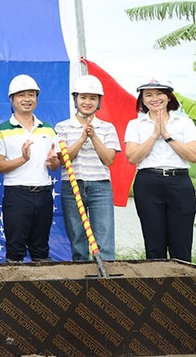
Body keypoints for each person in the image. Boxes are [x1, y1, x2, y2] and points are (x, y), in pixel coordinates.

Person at [125, 74, 196, 262]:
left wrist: (167, 136)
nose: (154, 99)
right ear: (142, 99)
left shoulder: (184, 123)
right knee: (154, 242)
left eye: (159, 93)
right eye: (148, 95)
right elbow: (132, 157)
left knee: (181, 242)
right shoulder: (135, 124)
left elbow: (194, 155)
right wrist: (154, 135)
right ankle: (156, 279)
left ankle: (183, 280)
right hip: (148, 182)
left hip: (179, 182)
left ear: (169, 96)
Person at [0, 74, 60, 262]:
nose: (27, 99)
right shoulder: (2, 130)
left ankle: (41, 282)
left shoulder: (48, 129)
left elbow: (55, 167)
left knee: (41, 249)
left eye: (31, 94)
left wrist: (54, 161)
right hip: (17, 194)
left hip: (44, 193)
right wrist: (23, 158)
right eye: (21, 95)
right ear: (12, 99)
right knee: (15, 249)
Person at [55, 75, 119, 261]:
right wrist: (82, 137)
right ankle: (81, 276)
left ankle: (106, 274)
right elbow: (64, 159)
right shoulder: (62, 127)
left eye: (93, 98)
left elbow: (109, 159)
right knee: (78, 239)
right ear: (75, 99)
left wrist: (94, 136)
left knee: (104, 238)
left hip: (101, 186)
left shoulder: (107, 127)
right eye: (83, 97)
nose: (87, 102)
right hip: (72, 185)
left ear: (99, 101)